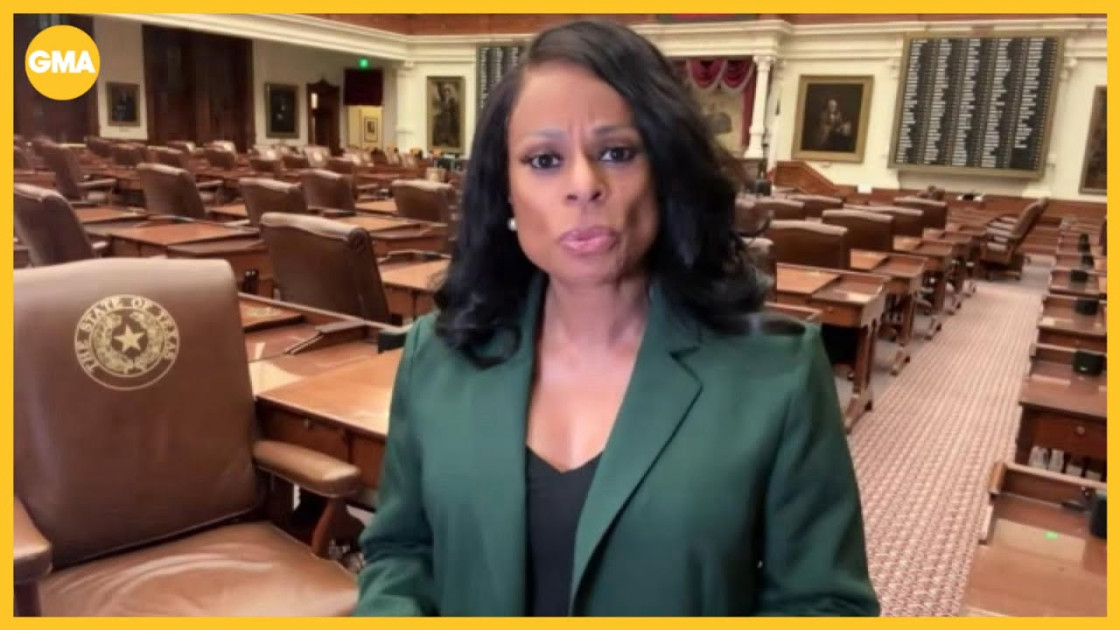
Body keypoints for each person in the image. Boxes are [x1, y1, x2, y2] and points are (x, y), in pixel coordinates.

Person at [354, 19, 879, 617]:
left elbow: (824, 604)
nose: (584, 184)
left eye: (617, 152)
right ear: (505, 191)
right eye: (544, 159)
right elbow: (401, 550)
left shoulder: (777, 374)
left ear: (666, 172)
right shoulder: (436, 355)